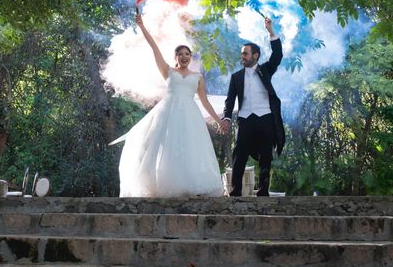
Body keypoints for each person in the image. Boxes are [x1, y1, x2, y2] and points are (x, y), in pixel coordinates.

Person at [117, 12, 225, 197]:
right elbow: (154, 48)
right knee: (166, 147)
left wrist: (218, 120)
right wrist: (142, 27)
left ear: (191, 57)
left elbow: (205, 101)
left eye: (187, 54)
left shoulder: (197, 78)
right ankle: (163, 184)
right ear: (175, 57)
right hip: (168, 113)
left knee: (190, 147)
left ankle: (190, 184)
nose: (184, 57)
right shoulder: (168, 71)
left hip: (189, 115)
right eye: (181, 54)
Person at [220, 16, 285, 196]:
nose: (242, 56)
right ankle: (236, 190)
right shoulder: (236, 77)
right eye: (242, 54)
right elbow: (230, 100)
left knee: (266, 153)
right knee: (239, 153)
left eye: (245, 53)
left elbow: (277, 55)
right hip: (245, 118)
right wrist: (226, 117)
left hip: (265, 117)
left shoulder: (265, 70)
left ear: (255, 55)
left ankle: (263, 190)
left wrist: (271, 32)